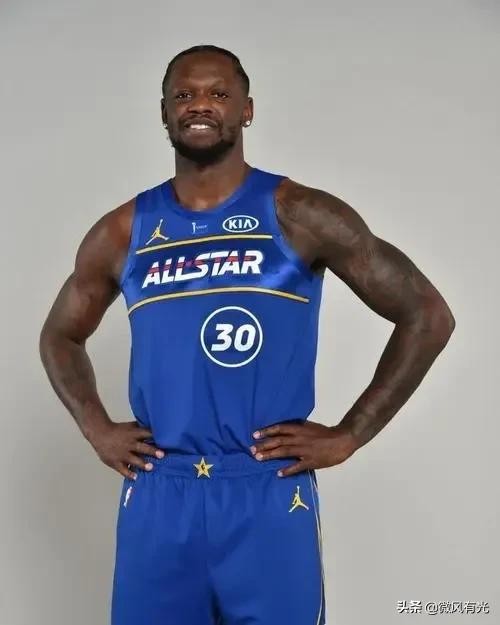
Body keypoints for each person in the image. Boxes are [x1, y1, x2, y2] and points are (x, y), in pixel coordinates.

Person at [39, 44, 455, 625]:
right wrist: (96, 428)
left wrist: (351, 434)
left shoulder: (300, 213)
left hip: (267, 487)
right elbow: (59, 335)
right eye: (184, 95)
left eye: (218, 93)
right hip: (161, 490)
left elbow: (427, 315)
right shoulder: (124, 230)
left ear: (247, 109)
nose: (199, 105)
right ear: (164, 113)